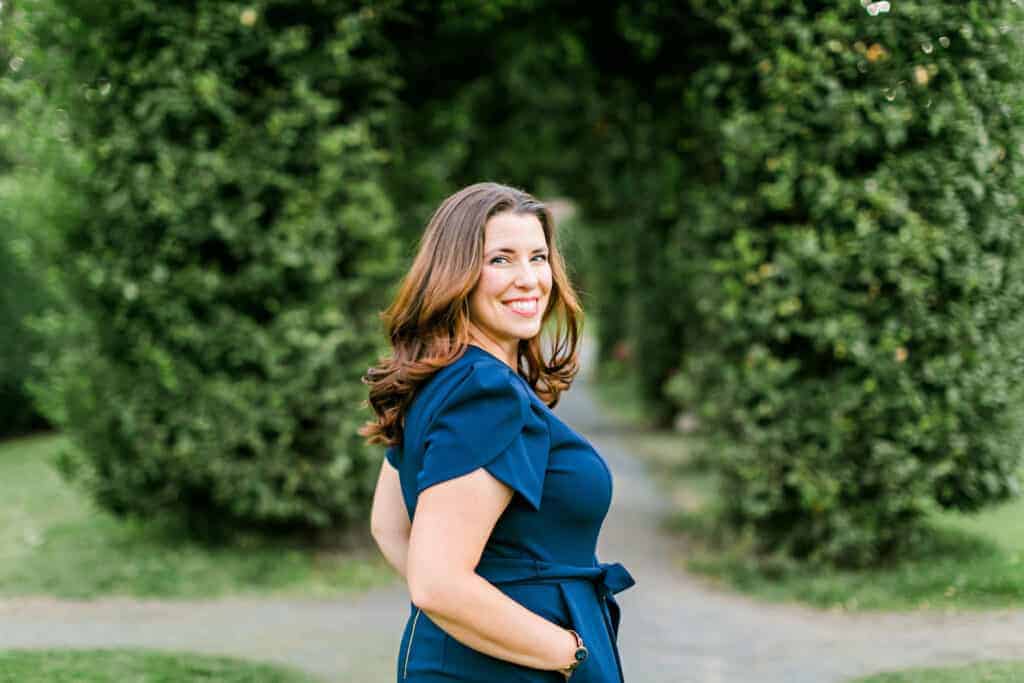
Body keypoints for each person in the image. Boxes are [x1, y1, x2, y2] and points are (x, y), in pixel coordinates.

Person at [361, 182, 636, 682]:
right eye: (501, 260)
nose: (530, 279)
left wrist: (463, 618)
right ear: (456, 274)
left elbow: (391, 527)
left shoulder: (444, 376)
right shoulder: (485, 395)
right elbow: (437, 583)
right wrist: (569, 652)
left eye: (538, 257)